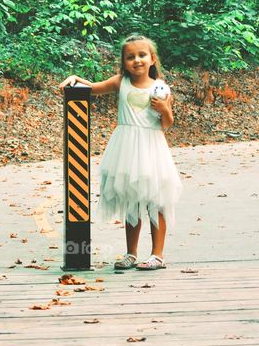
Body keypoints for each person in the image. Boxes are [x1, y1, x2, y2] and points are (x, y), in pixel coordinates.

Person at [58, 34, 183, 270]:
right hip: (126, 146)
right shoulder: (120, 82)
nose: (137, 60)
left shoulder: (160, 87)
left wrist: (165, 108)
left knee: (156, 200)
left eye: (142, 55)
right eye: (131, 57)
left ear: (152, 59)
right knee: (131, 200)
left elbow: (166, 124)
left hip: (151, 146)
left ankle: (157, 254)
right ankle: (131, 253)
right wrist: (75, 78)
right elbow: (93, 89)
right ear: (124, 62)